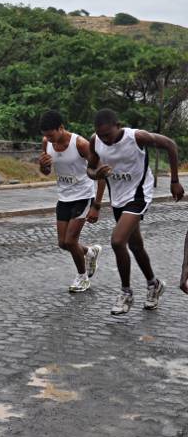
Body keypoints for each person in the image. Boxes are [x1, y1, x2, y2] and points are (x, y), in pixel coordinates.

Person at [86, 108, 183, 315]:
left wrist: (174, 181)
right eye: (101, 136)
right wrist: (96, 174)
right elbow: (90, 168)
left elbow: (170, 145)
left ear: (118, 126)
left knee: (117, 241)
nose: (106, 140)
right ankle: (154, 284)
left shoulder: (136, 137)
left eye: (108, 135)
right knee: (136, 246)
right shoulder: (95, 140)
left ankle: (126, 293)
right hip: (118, 199)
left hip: (139, 195)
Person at [38, 110, 103, 293]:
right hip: (64, 197)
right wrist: (42, 165)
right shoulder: (46, 143)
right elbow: (46, 172)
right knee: (62, 243)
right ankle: (90, 252)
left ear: (61, 128)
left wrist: (96, 206)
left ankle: (82, 278)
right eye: (45, 136)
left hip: (83, 196)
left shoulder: (81, 144)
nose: (49, 139)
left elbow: (101, 174)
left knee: (71, 240)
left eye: (51, 135)